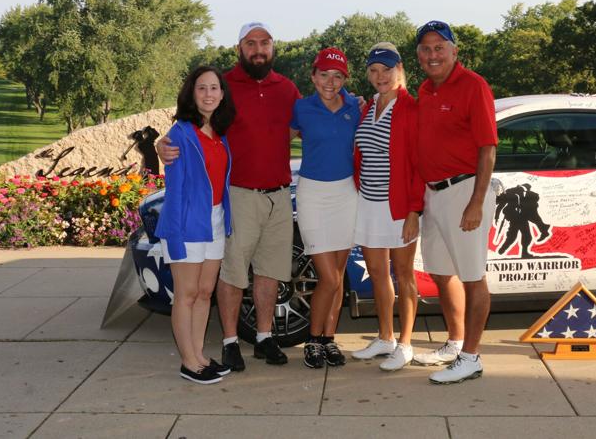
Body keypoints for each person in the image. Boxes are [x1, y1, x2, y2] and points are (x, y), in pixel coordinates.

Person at [157, 22, 300, 371]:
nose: (258, 50)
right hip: (238, 195)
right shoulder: (223, 86)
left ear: (273, 48)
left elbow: (307, 121)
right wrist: (162, 144)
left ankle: (264, 337)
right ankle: (230, 341)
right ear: (239, 49)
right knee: (232, 273)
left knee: (269, 272)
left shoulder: (287, 88)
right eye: (250, 43)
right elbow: (188, 127)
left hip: (279, 194)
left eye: (265, 43)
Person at [412, 20, 498, 384]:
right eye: (426, 49)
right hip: (435, 194)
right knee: (442, 272)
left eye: (439, 48)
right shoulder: (425, 90)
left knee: (472, 277)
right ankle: (455, 342)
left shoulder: (473, 85)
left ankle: (472, 357)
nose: (433, 55)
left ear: (453, 51)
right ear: (419, 56)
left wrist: (476, 202)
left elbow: (487, 148)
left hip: (465, 191)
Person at [155, 65, 235, 384]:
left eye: (214, 88)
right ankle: (189, 362)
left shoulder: (219, 132)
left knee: (204, 293)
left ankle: (200, 355)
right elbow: (174, 191)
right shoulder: (180, 134)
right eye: (201, 88)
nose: (208, 94)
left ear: (222, 94)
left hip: (214, 221)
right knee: (186, 294)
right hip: (186, 224)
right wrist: (173, 235)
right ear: (192, 93)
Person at [350, 42, 425, 371]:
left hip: (398, 207)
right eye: (374, 71)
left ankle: (405, 344)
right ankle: (385, 337)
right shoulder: (368, 107)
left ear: (400, 71)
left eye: (386, 70)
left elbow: (419, 163)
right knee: (378, 274)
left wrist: (413, 210)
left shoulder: (411, 109)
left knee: (404, 275)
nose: (380, 76)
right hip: (368, 202)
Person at [290, 47, 360, 369]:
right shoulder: (301, 108)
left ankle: (328, 339)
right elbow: (270, 138)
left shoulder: (356, 107)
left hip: (346, 193)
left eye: (337, 76)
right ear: (313, 76)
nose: (330, 82)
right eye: (324, 75)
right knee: (328, 279)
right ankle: (312, 340)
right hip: (313, 196)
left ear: (344, 78)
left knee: (339, 274)